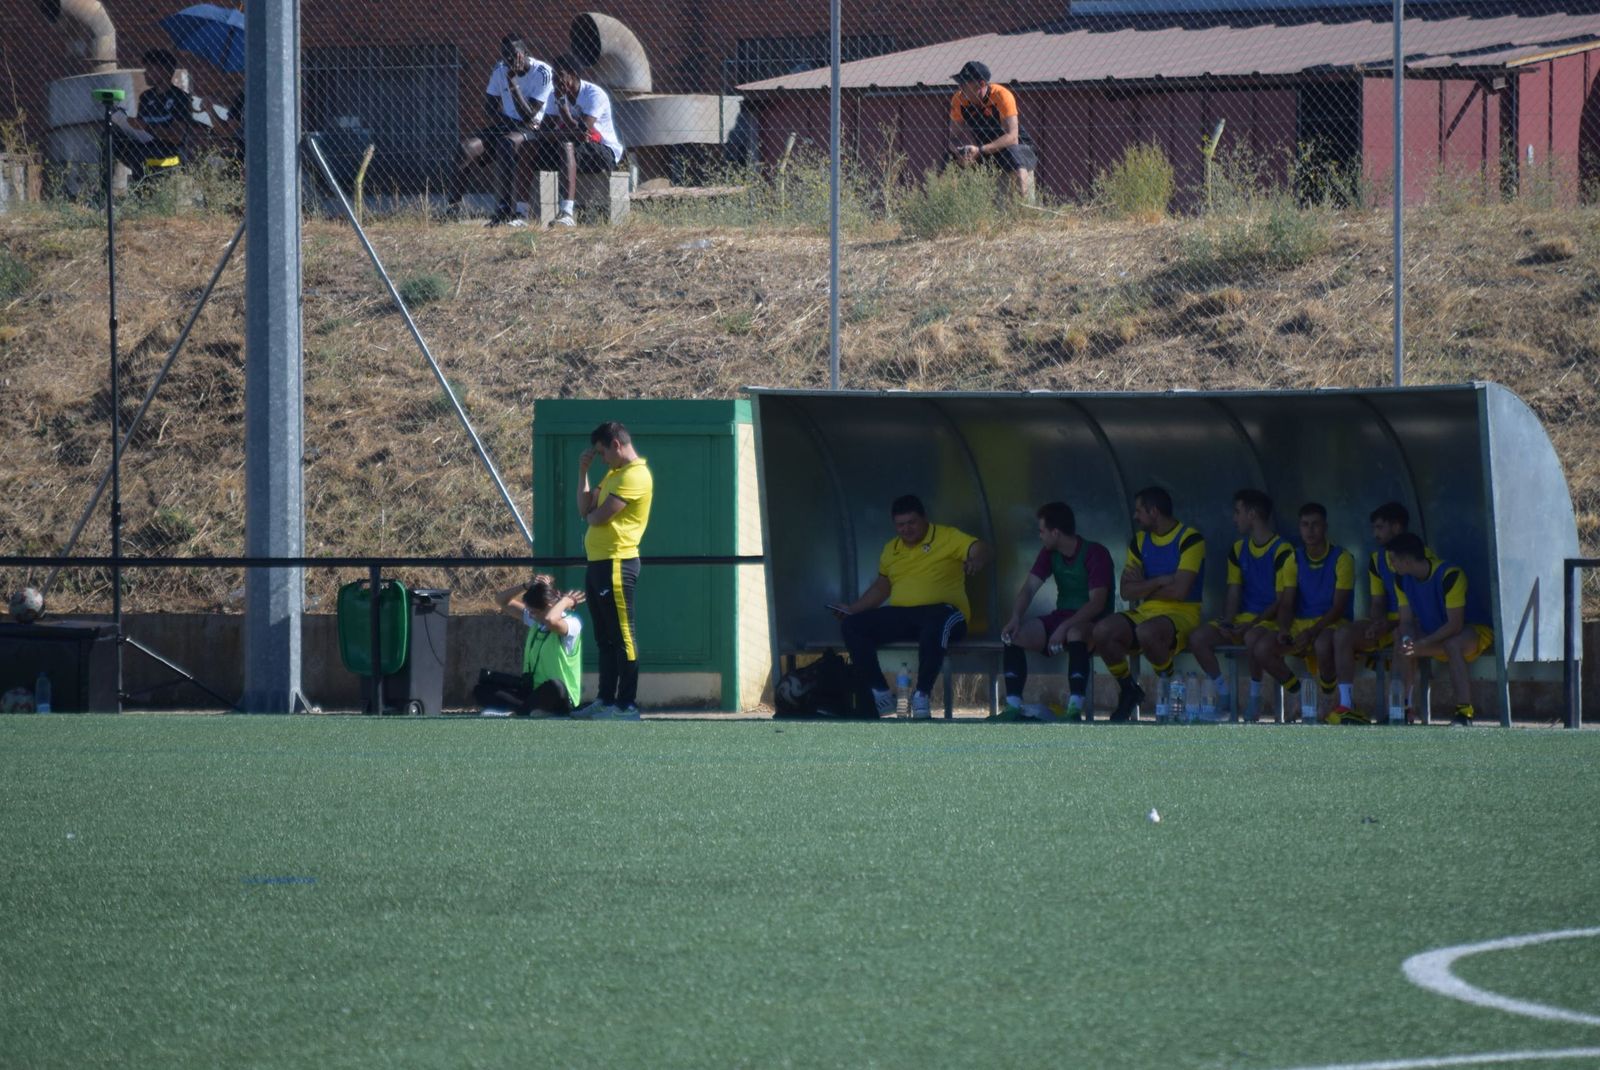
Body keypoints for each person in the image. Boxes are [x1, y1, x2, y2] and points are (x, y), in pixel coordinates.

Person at [833, 495, 992, 719]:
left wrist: (975, 560)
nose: (906, 529)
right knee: (852, 625)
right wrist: (852, 609)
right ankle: (881, 693)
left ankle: (922, 695)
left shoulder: (947, 536)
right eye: (900, 524)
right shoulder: (891, 549)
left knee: (935, 624)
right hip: (904, 615)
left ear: (924, 519)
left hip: (945, 613)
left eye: (911, 522)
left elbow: (980, 547)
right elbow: (881, 588)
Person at [1091, 486, 1206, 722]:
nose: (1135, 517)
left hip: (1182, 614)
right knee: (1102, 631)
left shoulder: (1190, 538)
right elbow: (1125, 590)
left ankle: (1172, 685)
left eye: (1139, 511)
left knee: (1147, 632)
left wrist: (1144, 586)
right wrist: (1160, 581)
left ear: (1154, 512)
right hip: (1145, 612)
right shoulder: (1139, 541)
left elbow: (1181, 591)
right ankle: (1129, 689)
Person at [996, 501, 1112, 722]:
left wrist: (1064, 627)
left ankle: (1074, 709)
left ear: (1055, 532)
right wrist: (1015, 617)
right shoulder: (1049, 553)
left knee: (1075, 634)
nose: (1040, 536)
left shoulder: (1095, 553)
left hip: (1092, 621)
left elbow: (1097, 603)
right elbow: (1029, 588)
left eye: (1042, 531)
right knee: (1014, 636)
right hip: (1061, 618)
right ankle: (1013, 706)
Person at [1187, 489, 1295, 722]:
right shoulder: (1238, 549)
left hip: (1268, 622)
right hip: (1244, 621)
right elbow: (1234, 590)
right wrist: (1227, 621)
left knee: (1251, 637)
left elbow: (1281, 600)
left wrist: (1251, 624)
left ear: (1253, 514)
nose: (1235, 518)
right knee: (1198, 638)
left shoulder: (1283, 550)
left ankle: (1255, 699)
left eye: (1238, 512)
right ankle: (1225, 695)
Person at [1328, 501, 1436, 720]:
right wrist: (1377, 623)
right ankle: (1346, 704)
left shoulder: (1422, 556)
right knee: (1342, 634)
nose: (1374, 533)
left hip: (1419, 624)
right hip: (1389, 623)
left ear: (1396, 527)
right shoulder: (1377, 559)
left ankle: (1400, 709)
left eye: (1380, 527)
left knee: (1403, 636)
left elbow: (1427, 607)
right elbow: (1378, 602)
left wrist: (1391, 625)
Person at [575, 421, 653, 719]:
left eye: (602, 452)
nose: (601, 458)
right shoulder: (613, 473)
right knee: (604, 636)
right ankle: (605, 700)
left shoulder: (636, 475)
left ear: (616, 446)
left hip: (618, 562)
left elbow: (598, 518)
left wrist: (593, 513)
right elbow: (584, 509)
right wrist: (583, 472)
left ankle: (627, 704)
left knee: (623, 635)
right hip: (597, 563)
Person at [1251, 502, 1355, 722]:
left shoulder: (1342, 558)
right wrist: (1283, 629)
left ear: (1325, 527)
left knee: (1322, 643)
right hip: (1301, 623)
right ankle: (1298, 693)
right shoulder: (1294, 559)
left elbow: (1338, 607)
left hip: (1330, 622)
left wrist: (1313, 631)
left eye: (1315, 525)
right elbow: (1287, 603)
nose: (1310, 530)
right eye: (1305, 525)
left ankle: (1328, 697)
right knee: (1262, 648)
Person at [1388, 533, 1495, 726]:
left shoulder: (1450, 575)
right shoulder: (1401, 580)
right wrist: (1408, 640)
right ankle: (1404, 709)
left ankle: (1464, 713)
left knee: (1452, 644)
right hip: (1434, 634)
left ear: (1406, 561)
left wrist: (1421, 644)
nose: (1391, 564)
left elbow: (1455, 625)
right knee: (1400, 639)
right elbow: (1406, 621)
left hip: (1471, 631)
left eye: (1393, 560)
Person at [448, 35, 554, 226]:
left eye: (514, 54)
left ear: (525, 53)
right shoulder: (499, 69)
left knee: (507, 143)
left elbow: (529, 115)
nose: (510, 60)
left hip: (533, 128)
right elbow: (489, 108)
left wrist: (513, 83)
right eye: (505, 55)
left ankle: (504, 209)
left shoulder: (543, 72)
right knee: (466, 148)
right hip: (506, 124)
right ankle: (453, 208)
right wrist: (507, 121)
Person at [530, 55, 625, 228]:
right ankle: (520, 211)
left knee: (567, 144)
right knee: (530, 147)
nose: (555, 79)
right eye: (553, 74)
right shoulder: (555, 95)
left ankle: (567, 212)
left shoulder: (593, 94)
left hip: (603, 151)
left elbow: (583, 133)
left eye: (559, 74)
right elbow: (544, 131)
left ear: (572, 74)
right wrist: (563, 132)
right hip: (570, 147)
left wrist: (562, 110)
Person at [474, 575, 585, 715]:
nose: (530, 615)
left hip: (558, 696)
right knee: (481, 689)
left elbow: (551, 620)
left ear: (549, 607)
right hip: (532, 692)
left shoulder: (572, 624)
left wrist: (565, 601)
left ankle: (521, 710)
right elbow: (502, 601)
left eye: (533, 612)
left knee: (556, 687)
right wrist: (526, 585)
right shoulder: (537, 621)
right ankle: (527, 710)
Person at [110, 50, 222, 181]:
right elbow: (139, 127)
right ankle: (107, 186)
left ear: (164, 71)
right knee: (111, 136)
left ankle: (145, 184)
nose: (146, 74)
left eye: (150, 69)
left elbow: (176, 136)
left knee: (142, 156)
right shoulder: (146, 97)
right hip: (146, 145)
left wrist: (147, 128)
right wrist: (128, 123)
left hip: (169, 151)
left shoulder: (180, 98)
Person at [946, 60, 1038, 204]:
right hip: (983, 150)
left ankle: (1025, 211)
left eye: (964, 83)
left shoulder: (1002, 95)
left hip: (1015, 147)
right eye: (960, 83)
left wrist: (981, 150)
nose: (960, 87)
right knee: (947, 159)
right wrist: (960, 152)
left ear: (981, 84)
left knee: (1016, 158)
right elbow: (953, 137)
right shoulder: (959, 99)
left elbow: (1012, 137)